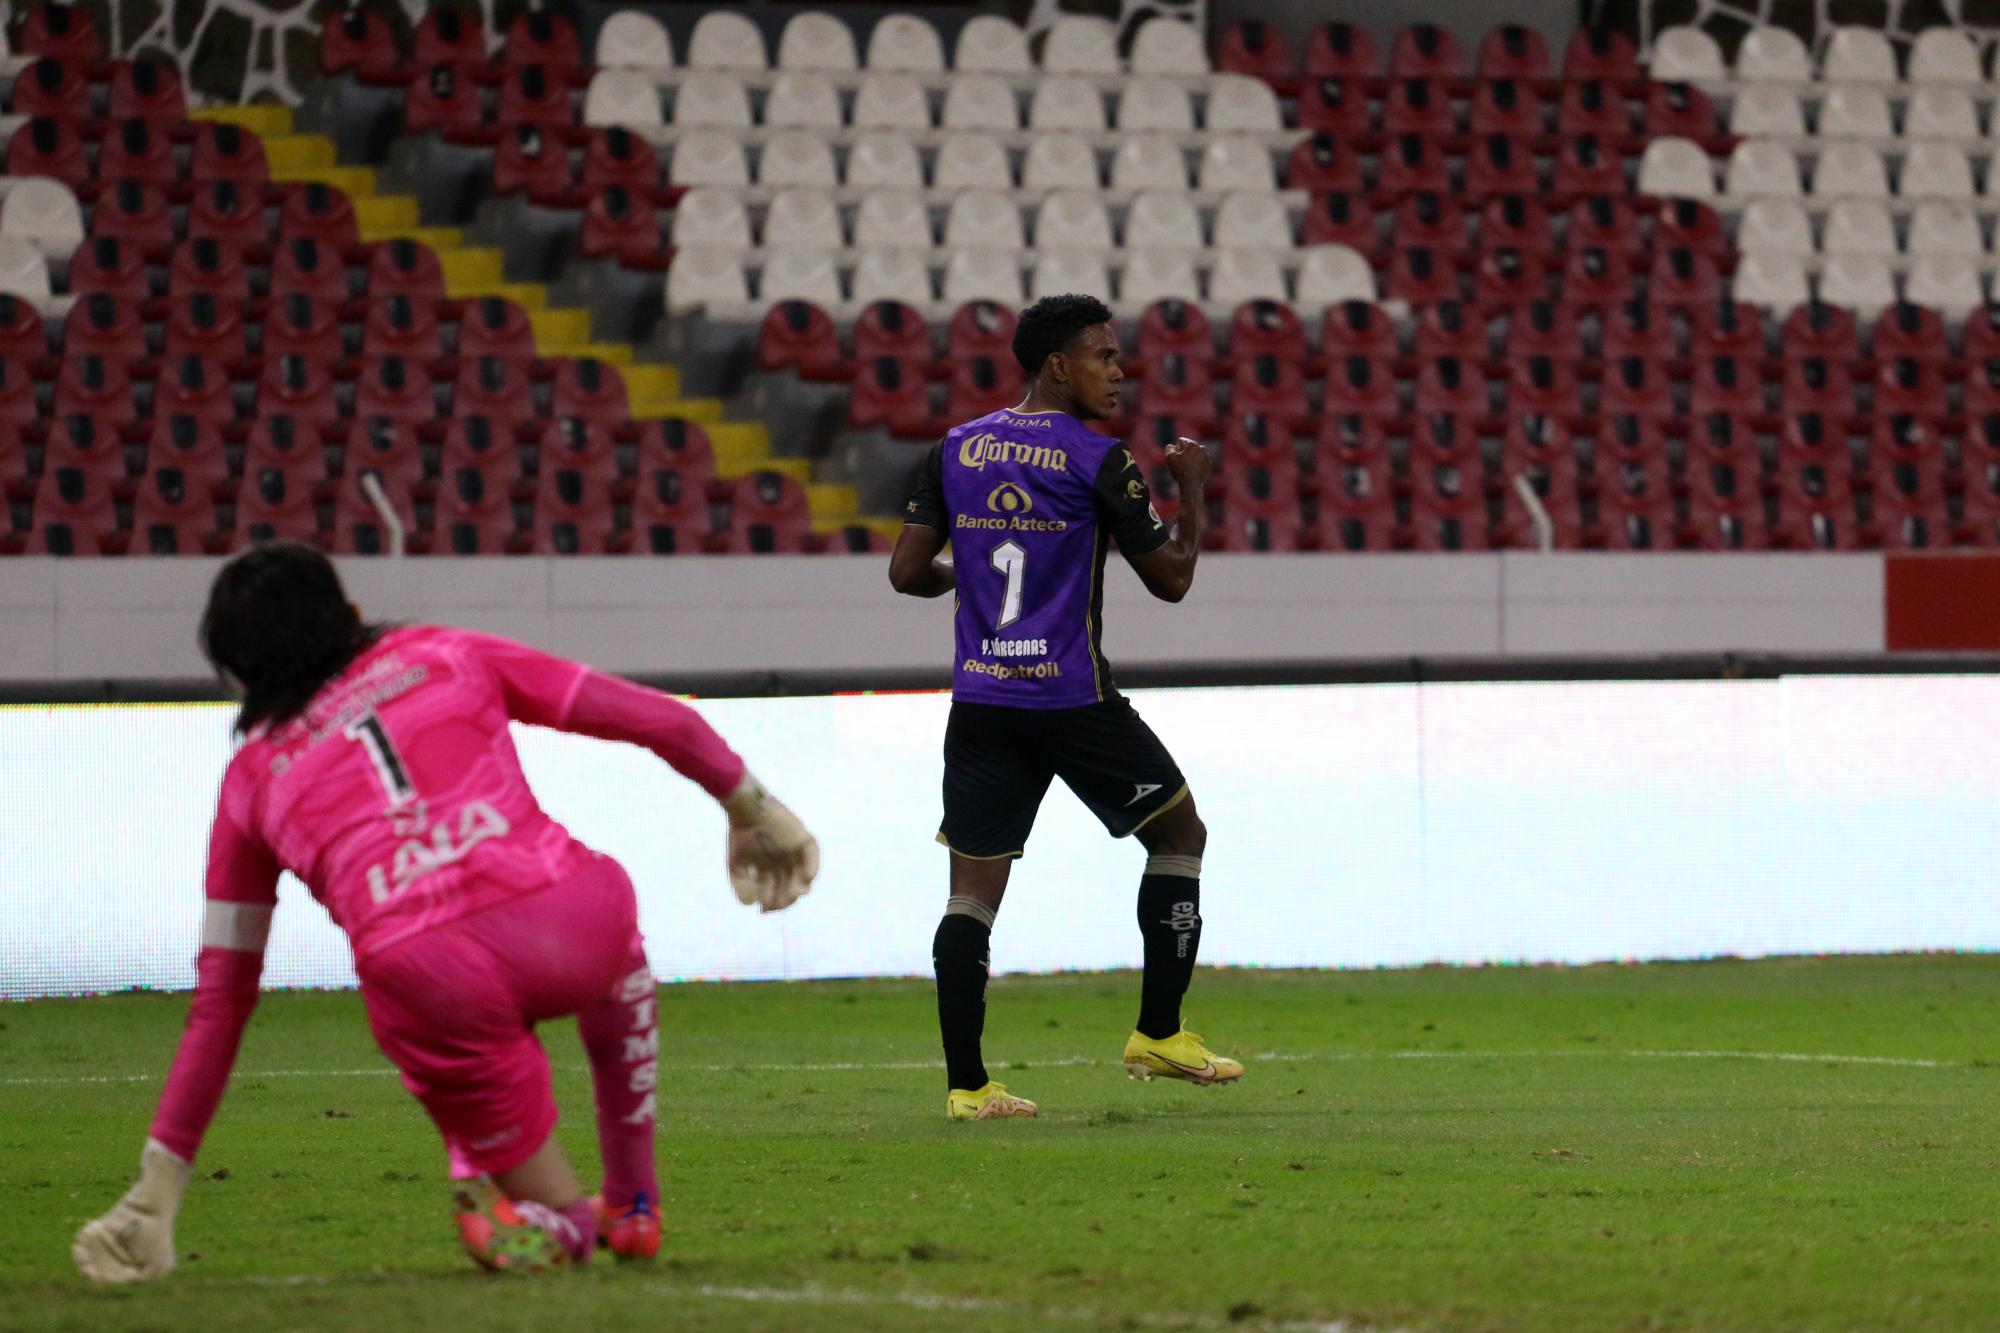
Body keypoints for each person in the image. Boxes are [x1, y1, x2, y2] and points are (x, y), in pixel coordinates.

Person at [72, 542, 820, 1280]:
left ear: (239, 672)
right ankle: (634, 1202)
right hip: (565, 917)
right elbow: (652, 718)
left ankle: (544, 1217)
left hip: (429, 975)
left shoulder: (248, 782)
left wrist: (157, 1188)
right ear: (353, 614)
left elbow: (221, 1001)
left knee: (532, 1180)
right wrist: (752, 804)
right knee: (615, 940)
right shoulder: (444, 652)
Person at [888, 292, 1242, 1121]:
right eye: (1104, 355)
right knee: (1180, 834)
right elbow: (1173, 580)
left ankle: (969, 1088)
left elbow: (907, 572)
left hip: (981, 701)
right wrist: (1191, 489)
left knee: (970, 895)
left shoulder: (953, 449)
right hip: (1073, 699)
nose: (1119, 371)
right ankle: (1159, 1031)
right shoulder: (1098, 457)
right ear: (1058, 364)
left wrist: (964, 581)